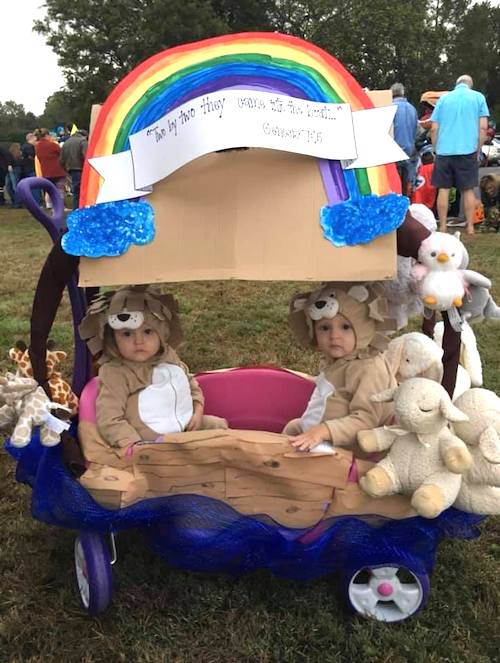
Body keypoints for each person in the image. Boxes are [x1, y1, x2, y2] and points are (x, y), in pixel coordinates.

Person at [78, 285, 228, 455]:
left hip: (186, 428)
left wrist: (197, 409)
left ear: (161, 334)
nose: (138, 341)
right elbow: (109, 420)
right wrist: (135, 446)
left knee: (219, 427)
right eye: (127, 334)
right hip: (150, 443)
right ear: (113, 338)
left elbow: (190, 384)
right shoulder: (116, 373)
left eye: (148, 331)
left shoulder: (169, 357)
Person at [282, 283, 396, 454]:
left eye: (345, 327)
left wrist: (323, 431)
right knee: (292, 428)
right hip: (317, 430)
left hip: (344, 447)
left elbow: (366, 420)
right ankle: (272, 456)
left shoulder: (369, 368)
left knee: (305, 454)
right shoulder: (342, 359)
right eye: (324, 328)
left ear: (362, 328)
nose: (334, 336)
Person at [430, 75, 489, 235]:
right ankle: (470, 227)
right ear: (470, 85)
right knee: (467, 189)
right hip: (467, 149)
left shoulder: (443, 99)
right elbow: (483, 127)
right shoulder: (478, 98)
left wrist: (435, 148)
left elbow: (434, 128)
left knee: (443, 188)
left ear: (456, 84)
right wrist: (478, 148)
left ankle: (442, 226)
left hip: (444, 150)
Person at [391, 82, 418, 196]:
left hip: (394, 151)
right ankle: (407, 207)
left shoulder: (390, 107)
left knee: (394, 186)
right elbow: (416, 130)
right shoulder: (412, 109)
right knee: (407, 184)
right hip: (410, 151)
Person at [34, 128, 68, 206]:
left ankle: (50, 205)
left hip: (45, 172)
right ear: (46, 135)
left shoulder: (37, 146)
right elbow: (61, 154)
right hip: (58, 171)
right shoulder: (53, 145)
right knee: (60, 190)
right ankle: (61, 206)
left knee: (50, 190)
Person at [60, 129, 88, 209]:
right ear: (85, 136)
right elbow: (86, 156)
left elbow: (61, 159)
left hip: (70, 169)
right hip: (81, 168)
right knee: (82, 191)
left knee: (75, 191)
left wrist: (66, 169)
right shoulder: (83, 141)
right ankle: (81, 208)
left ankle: (76, 209)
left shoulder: (66, 142)